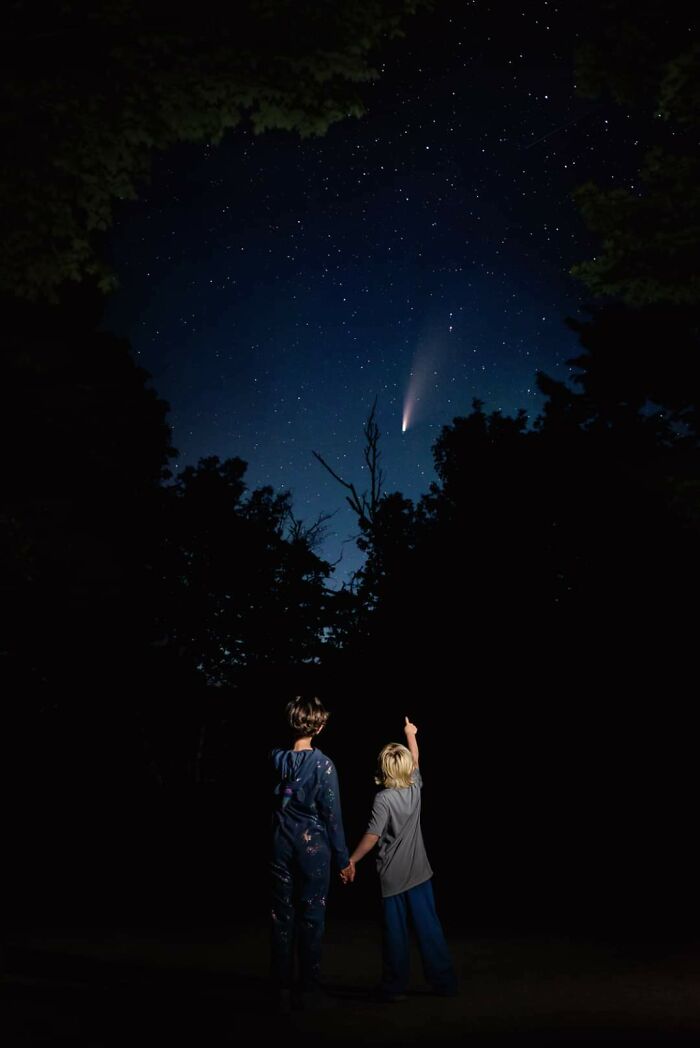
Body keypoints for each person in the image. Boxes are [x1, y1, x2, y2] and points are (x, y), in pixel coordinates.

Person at [344, 716, 457, 1001]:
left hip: (392, 880)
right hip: (420, 875)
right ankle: (444, 983)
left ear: (383, 768)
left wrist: (352, 860)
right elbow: (416, 759)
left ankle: (394, 987)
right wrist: (411, 734)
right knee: (429, 930)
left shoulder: (383, 799)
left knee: (395, 935)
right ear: (406, 768)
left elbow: (372, 835)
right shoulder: (415, 786)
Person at [270, 696, 354, 1012]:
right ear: (318, 726)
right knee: (311, 917)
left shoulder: (275, 759)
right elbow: (332, 816)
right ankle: (308, 989)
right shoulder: (324, 764)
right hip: (312, 850)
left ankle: (279, 989)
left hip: (279, 845)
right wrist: (343, 859)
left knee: (281, 917)